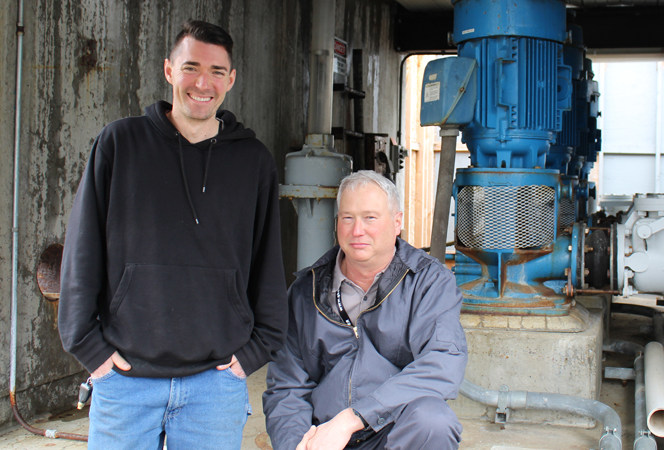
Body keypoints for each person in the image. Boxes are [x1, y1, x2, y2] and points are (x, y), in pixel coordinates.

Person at [58, 20, 287, 449]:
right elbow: (82, 250)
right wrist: (89, 351)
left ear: (231, 80)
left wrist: (258, 351)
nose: (203, 83)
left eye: (217, 71)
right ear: (168, 70)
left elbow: (267, 262)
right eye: (191, 67)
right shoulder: (120, 144)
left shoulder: (253, 162)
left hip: (214, 385)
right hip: (126, 381)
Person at [263, 170, 468, 450]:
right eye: (348, 218)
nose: (357, 230)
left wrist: (354, 418)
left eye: (370, 217)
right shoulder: (304, 292)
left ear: (397, 223)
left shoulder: (428, 281)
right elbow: (286, 388)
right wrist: (297, 445)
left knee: (433, 421)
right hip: (327, 438)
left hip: (394, 431)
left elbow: (442, 361)